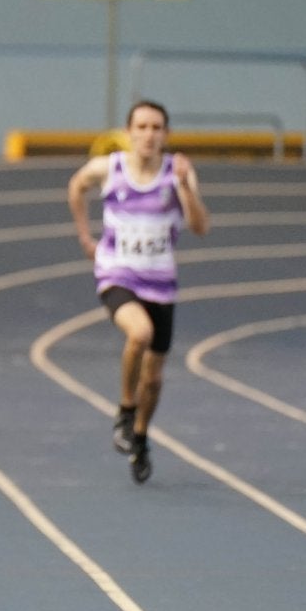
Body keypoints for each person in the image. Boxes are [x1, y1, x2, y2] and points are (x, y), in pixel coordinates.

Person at [67, 99, 209, 484]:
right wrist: (85, 236)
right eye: (142, 127)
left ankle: (141, 436)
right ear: (129, 132)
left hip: (161, 283)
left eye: (156, 128)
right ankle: (125, 411)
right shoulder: (108, 169)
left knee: (155, 378)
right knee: (139, 334)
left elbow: (200, 226)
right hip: (118, 274)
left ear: (166, 134)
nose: (149, 135)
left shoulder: (177, 173)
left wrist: (183, 187)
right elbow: (76, 186)